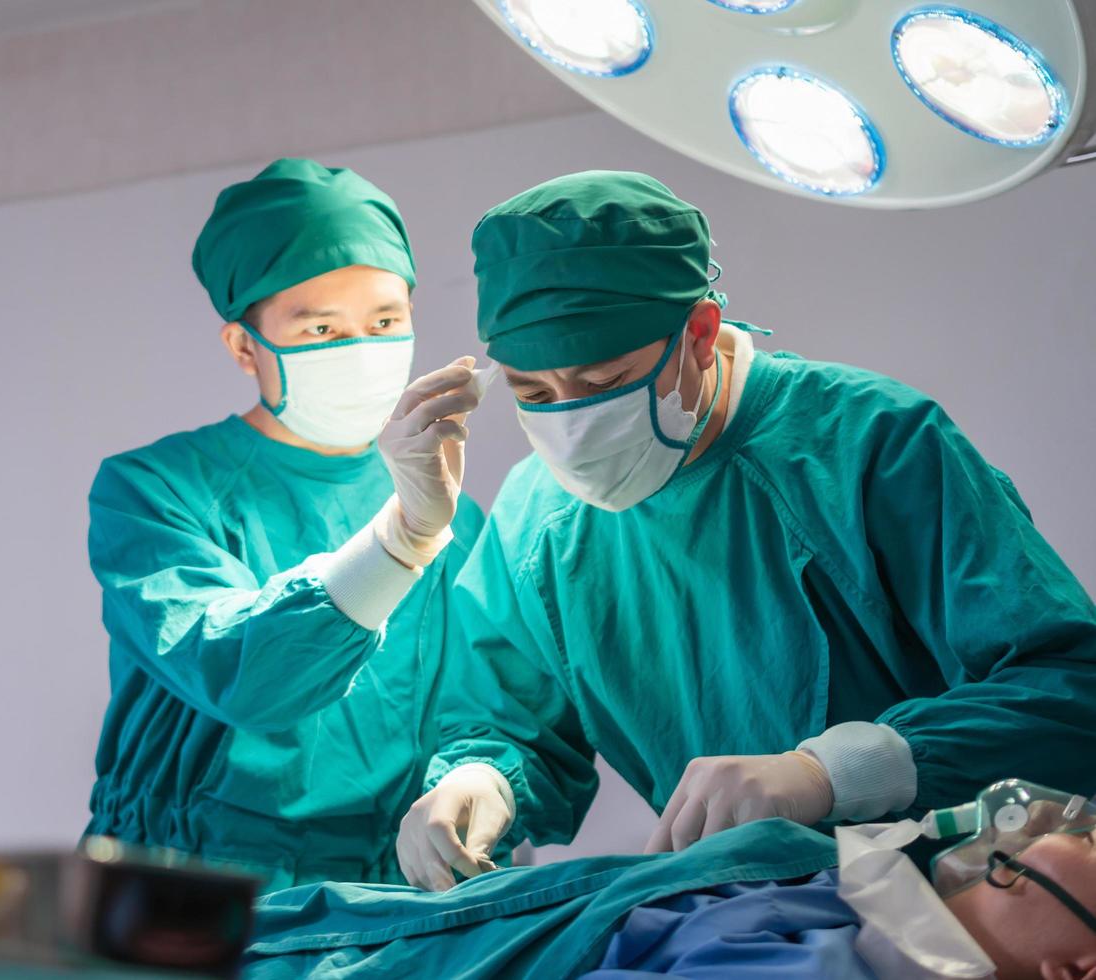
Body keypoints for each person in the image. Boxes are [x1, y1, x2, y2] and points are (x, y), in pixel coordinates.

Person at [395, 170, 1096, 892]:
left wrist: (834, 772)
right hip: (753, 919)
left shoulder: (867, 445)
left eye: (605, 383)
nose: (571, 425)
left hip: (971, 897)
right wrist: (479, 782)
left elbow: (1070, 687)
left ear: (698, 333)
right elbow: (511, 722)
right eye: (533, 393)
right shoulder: (537, 522)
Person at [84, 158, 484, 889]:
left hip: (393, 898)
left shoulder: (454, 511)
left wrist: (474, 787)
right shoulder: (154, 492)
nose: (362, 348)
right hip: (192, 893)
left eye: (385, 321)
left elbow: (484, 705)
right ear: (245, 347)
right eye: (323, 327)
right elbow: (248, 676)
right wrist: (401, 541)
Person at [249, 779, 1096, 979]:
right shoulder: (858, 894)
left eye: (1093, 849)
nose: (1069, 817)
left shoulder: (836, 962)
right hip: (339, 927)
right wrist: (484, 770)